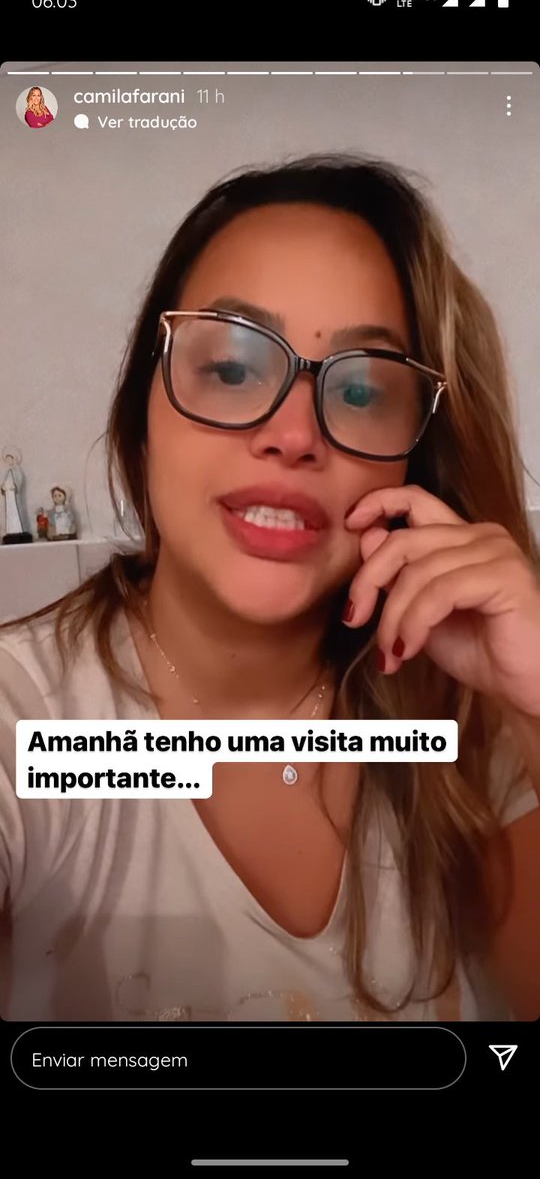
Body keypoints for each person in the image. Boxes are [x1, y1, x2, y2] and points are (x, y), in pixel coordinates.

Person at [0, 154, 539, 1023]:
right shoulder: (20, 717)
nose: (293, 435)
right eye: (231, 368)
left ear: (416, 464)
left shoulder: (467, 728)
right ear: (142, 417)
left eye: (360, 388)